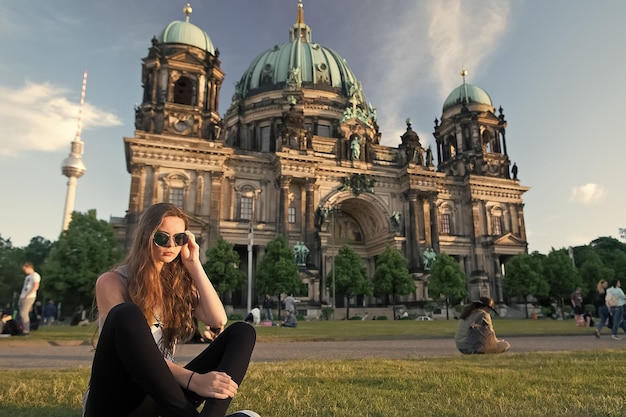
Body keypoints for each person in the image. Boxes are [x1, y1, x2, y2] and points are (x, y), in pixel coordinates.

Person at [83, 203, 259, 417]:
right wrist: (194, 380)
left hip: (160, 397)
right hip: (115, 400)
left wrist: (194, 264)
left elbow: (217, 319)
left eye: (179, 238)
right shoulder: (113, 281)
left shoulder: (177, 286)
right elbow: (134, 358)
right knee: (126, 314)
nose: (171, 244)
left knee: (242, 332)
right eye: (162, 237)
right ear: (146, 236)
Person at [18, 262, 41, 335]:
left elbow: (36, 286)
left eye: (25, 269)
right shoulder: (27, 277)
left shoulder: (35, 275)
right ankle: (22, 327)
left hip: (29, 296)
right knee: (22, 313)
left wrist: (28, 295)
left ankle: (26, 330)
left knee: (23, 313)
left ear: (29, 267)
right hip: (23, 296)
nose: (24, 271)